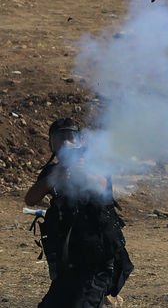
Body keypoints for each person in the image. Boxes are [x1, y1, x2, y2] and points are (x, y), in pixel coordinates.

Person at [25, 118, 134, 308]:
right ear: (52, 142)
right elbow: (30, 199)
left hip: (97, 260)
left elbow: (103, 188)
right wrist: (55, 177)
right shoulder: (54, 171)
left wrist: (83, 173)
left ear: (80, 141)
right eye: (59, 138)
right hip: (69, 261)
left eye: (70, 137)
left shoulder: (94, 164)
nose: (66, 143)